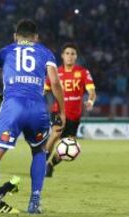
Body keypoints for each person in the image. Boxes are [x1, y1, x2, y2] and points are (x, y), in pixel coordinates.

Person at [0, 19, 66, 215]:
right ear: (36, 37)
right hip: (37, 108)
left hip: (13, 106)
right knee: (39, 151)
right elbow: (55, 84)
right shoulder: (45, 52)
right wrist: (61, 111)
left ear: (15, 36)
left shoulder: (5, 51)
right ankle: (35, 201)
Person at [44, 42, 96, 177]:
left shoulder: (83, 72)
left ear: (76, 56)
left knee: (70, 147)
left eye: (72, 54)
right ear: (62, 56)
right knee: (55, 133)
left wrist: (90, 101)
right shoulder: (55, 72)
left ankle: (50, 165)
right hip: (59, 111)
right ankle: (40, 164)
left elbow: (92, 91)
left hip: (74, 116)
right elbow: (44, 90)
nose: (70, 56)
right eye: (67, 53)